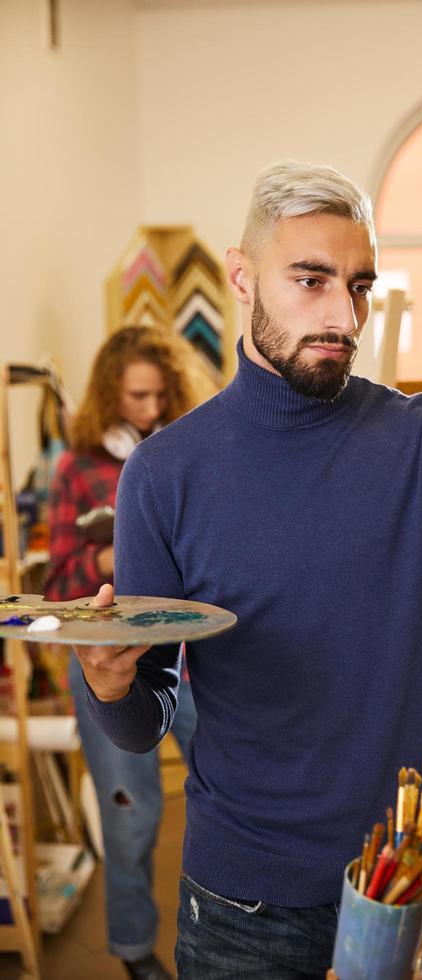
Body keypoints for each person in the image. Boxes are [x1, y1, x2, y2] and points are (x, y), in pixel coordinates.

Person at [72, 162, 422, 979]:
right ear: (243, 276)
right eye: (311, 279)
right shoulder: (165, 476)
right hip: (244, 906)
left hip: (410, 879)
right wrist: (108, 684)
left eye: (360, 285)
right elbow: (147, 716)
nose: (344, 314)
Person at [45, 325, 216, 980]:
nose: (149, 411)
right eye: (136, 397)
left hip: (199, 660)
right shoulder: (78, 467)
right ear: (108, 395)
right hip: (106, 663)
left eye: (161, 395)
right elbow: (59, 586)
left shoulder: (193, 455)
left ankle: (227, 931)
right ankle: (134, 950)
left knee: (229, 792)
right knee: (131, 814)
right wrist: (117, 555)